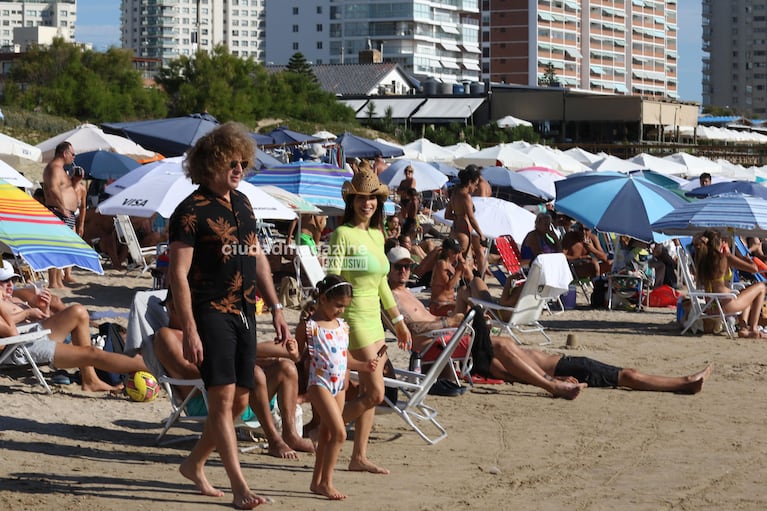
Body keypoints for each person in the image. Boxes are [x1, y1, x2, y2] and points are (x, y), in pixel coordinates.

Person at [388, 248, 712, 395]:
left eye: (407, 265)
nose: (404, 270)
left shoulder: (412, 294)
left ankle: (681, 382)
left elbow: (434, 319)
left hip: (463, 343)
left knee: (582, 364)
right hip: (455, 351)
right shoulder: (391, 298)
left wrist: (458, 314)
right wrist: (457, 318)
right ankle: (551, 385)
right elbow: (412, 334)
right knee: (504, 344)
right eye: (398, 266)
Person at [168, 122, 290, 509]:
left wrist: (277, 308)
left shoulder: (244, 203)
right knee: (222, 401)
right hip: (210, 312)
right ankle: (239, 486)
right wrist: (189, 327)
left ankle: (193, 464)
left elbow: (257, 259)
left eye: (243, 162)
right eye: (231, 162)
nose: (239, 169)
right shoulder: (189, 212)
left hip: (246, 311)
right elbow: (178, 275)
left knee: (239, 401)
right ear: (210, 164)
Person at [153, 290, 314, 460]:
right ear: (173, 306)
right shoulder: (165, 335)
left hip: (237, 392)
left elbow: (233, 353)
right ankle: (274, 439)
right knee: (254, 373)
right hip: (205, 399)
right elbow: (186, 371)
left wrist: (264, 357)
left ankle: (291, 435)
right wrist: (237, 366)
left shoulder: (201, 330)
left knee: (285, 367)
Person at [326, 170, 411, 475]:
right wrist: (333, 323)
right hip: (353, 320)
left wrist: (398, 321)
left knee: (368, 394)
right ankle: (325, 427)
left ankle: (358, 456)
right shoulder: (342, 234)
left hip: (375, 321)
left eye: (372, 198)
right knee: (375, 393)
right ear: (352, 201)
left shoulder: (377, 236)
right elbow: (332, 280)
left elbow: (382, 286)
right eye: (362, 198)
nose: (367, 203)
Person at [0, 261, 148, 391]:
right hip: (19, 347)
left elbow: (36, 318)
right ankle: (154, 368)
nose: (10, 286)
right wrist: (24, 313)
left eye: (12, 280)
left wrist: (44, 309)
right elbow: (11, 333)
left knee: (78, 311)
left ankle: (90, 379)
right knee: (91, 353)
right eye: (4, 282)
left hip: (34, 332)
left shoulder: (12, 298)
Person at [296, 275, 379, 500]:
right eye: (338, 305)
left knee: (327, 433)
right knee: (340, 433)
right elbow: (296, 355)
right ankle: (326, 482)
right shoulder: (310, 326)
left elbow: (344, 358)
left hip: (338, 386)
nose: (341, 310)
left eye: (344, 306)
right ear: (323, 299)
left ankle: (316, 481)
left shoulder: (342, 326)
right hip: (319, 383)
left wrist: (363, 365)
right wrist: (291, 347)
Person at [693, 229, 767, 338]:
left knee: (746, 290)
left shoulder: (702, 259)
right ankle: (753, 328)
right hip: (725, 305)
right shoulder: (725, 257)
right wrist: (746, 257)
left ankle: (743, 327)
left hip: (710, 307)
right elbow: (754, 269)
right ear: (720, 242)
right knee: (761, 287)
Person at [42, 141, 79, 289]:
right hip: (58, 211)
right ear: (65, 153)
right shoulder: (54, 168)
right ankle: (53, 282)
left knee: (61, 249)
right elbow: (53, 188)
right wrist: (62, 208)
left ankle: (57, 282)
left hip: (64, 212)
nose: (74, 157)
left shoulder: (59, 168)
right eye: (73, 154)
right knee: (55, 248)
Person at [445, 165, 488, 273]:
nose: (476, 187)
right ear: (470, 182)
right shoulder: (466, 197)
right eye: (475, 184)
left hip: (454, 230)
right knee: (460, 265)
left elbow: (447, 215)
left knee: (453, 262)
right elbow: (472, 218)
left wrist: (459, 216)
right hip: (463, 234)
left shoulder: (455, 192)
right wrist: (481, 235)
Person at [63, 165, 88, 285]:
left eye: (79, 178)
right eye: (75, 178)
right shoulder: (65, 187)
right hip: (62, 216)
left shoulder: (82, 189)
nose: (77, 180)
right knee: (62, 247)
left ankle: (67, 274)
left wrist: (81, 224)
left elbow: (83, 207)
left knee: (71, 246)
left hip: (72, 216)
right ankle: (61, 274)